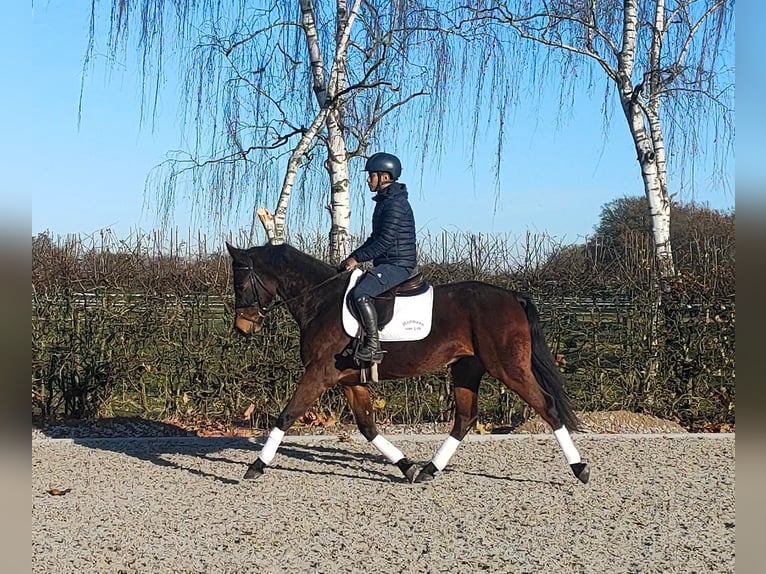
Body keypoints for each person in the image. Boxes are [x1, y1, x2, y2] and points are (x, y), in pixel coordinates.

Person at [338, 152, 417, 363]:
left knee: (361, 293)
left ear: (384, 176)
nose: (368, 179)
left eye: (371, 175)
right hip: (388, 262)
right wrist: (352, 257)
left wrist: (357, 259)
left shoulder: (395, 205)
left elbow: (385, 242)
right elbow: (374, 238)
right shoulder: (385, 202)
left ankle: (373, 346)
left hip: (398, 264)